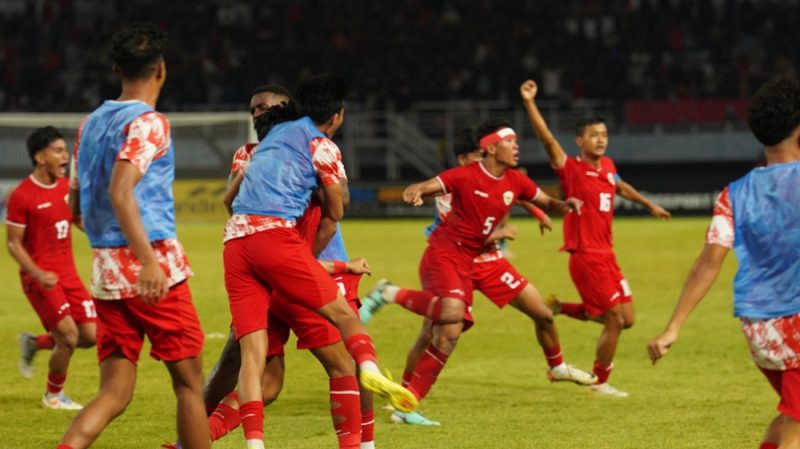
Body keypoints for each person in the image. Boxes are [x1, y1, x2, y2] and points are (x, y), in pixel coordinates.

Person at [223, 74, 415, 449]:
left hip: (236, 244)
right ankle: (371, 372)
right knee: (346, 333)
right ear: (338, 116)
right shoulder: (320, 145)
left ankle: (254, 444)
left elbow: (229, 205)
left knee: (253, 356)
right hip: (281, 245)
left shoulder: (256, 149)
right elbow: (336, 210)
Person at [359, 119, 594, 420]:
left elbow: (543, 200)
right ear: (491, 148)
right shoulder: (463, 177)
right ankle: (389, 293)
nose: (517, 146)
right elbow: (432, 186)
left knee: (459, 330)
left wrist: (564, 204)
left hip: (486, 262)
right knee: (442, 325)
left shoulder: (514, 179)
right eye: (510, 141)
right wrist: (417, 189)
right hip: (448, 256)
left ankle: (407, 404)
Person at [192, 89, 378, 449]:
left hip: (296, 261)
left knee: (306, 369)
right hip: (284, 262)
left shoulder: (302, 147)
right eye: (252, 109)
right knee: (263, 364)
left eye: (265, 107)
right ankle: (194, 436)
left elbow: (338, 201)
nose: (257, 113)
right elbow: (237, 205)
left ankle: (364, 442)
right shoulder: (251, 155)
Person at [57, 23, 209, 449]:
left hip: (106, 270)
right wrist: (145, 260)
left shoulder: (90, 123)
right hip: (152, 265)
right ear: (160, 70)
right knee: (189, 386)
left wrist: (111, 239)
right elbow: (120, 190)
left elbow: (75, 208)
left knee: (114, 392)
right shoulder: (151, 123)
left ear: (116, 69)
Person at [648, 76, 800, 449]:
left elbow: (708, 263)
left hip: (758, 327)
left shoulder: (734, 193)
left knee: (788, 416)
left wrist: (673, 327)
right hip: (796, 322)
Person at [520, 79, 671, 397]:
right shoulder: (571, 169)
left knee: (627, 319)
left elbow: (620, 185)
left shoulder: (608, 167)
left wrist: (649, 205)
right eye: (593, 135)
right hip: (586, 255)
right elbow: (547, 140)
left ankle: (562, 308)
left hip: (608, 255)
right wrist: (530, 102)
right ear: (579, 140)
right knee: (613, 320)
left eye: (603, 134)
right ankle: (600, 382)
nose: (600, 140)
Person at [5, 126, 96, 410]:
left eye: (65, 150)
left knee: (90, 336)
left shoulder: (64, 189)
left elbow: (76, 220)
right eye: (57, 151)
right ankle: (53, 396)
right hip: (40, 280)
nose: (65, 156)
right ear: (40, 157)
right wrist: (38, 274)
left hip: (68, 274)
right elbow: (13, 244)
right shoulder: (21, 196)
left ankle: (33, 344)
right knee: (68, 338)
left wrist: (106, 239)